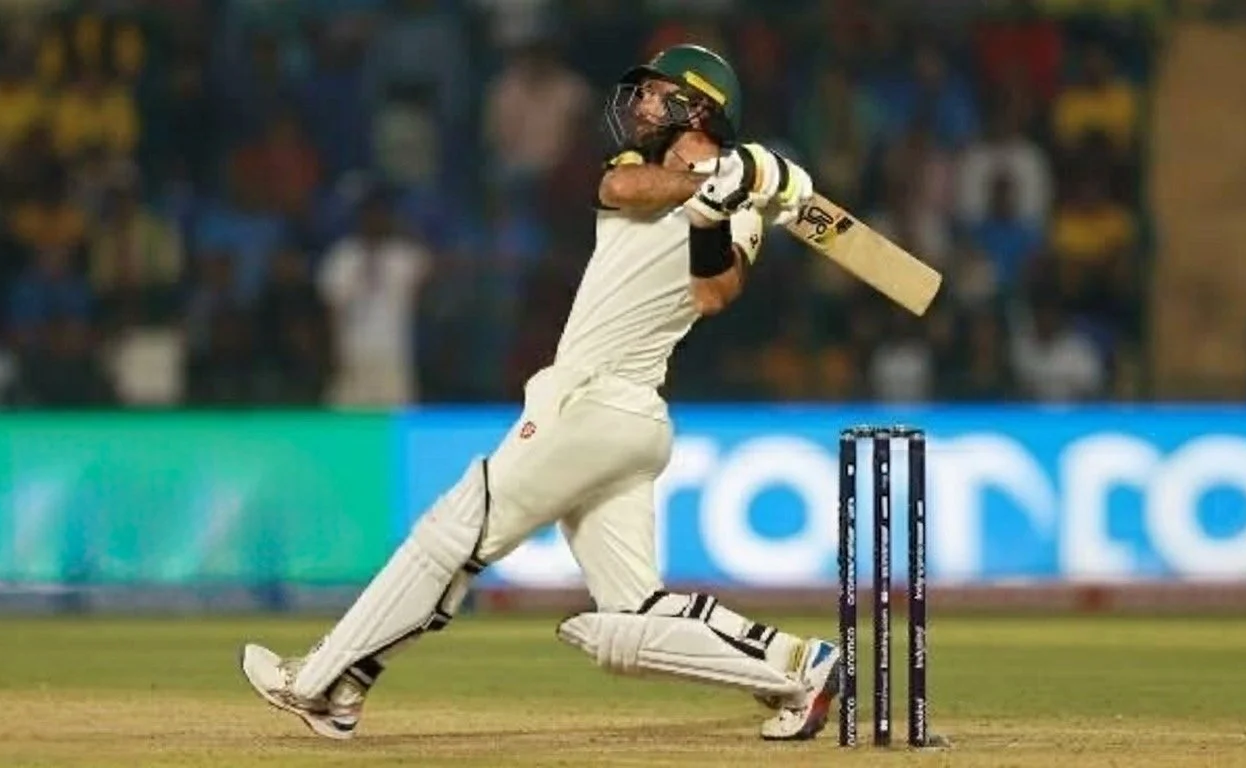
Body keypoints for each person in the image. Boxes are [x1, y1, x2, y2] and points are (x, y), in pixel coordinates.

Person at [239, 44, 837, 743]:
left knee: (453, 533)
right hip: (616, 419)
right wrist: (719, 181)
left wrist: (720, 205)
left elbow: (713, 293)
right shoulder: (640, 173)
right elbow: (622, 193)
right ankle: (801, 667)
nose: (639, 104)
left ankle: (327, 685)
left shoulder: (733, 208)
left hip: (600, 404)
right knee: (635, 619)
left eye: (655, 93)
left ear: (698, 107)